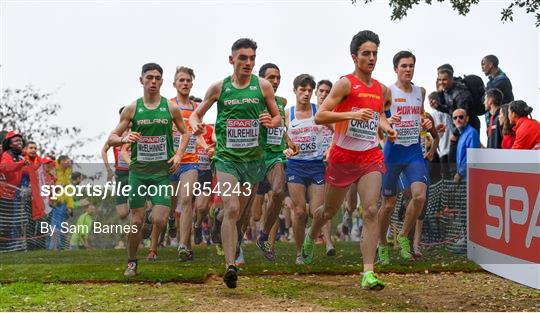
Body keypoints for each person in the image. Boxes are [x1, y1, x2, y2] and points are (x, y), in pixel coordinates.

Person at [300, 30, 396, 290]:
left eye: (375, 53)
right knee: (329, 211)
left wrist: (387, 127)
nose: (372, 58)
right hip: (343, 158)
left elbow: (378, 116)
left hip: (370, 156)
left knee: (372, 209)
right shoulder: (344, 84)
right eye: (366, 53)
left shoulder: (381, 89)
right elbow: (320, 116)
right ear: (354, 56)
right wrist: (351, 116)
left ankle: (368, 273)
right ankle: (311, 235)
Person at [189, 38, 281, 288]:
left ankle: (225, 231)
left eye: (252, 58)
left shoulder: (263, 87)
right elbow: (197, 114)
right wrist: (195, 123)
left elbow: (277, 118)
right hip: (227, 160)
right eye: (243, 58)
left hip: (253, 161)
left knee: (241, 215)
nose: (248, 63)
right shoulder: (219, 88)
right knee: (231, 209)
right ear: (232, 60)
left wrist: (272, 122)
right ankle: (230, 265)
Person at [107, 62, 189, 277]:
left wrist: (179, 154)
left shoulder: (170, 108)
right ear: (141, 80)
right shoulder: (132, 108)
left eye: (157, 78)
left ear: (162, 81)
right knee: (136, 221)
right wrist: (125, 137)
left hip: (162, 174)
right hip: (139, 175)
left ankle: (157, 230)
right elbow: (112, 138)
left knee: (160, 219)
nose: (153, 81)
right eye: (149, 77)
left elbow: (186, 133)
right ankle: (132, 261)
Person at [378, 51, 435, 264]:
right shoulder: (387, 91)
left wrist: (426, 123)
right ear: (396, 68)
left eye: (411, 65)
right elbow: (378, 116)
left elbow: (420, 114)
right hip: (393, 152)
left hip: (413, 151)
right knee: (389, 204)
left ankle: (403, 236)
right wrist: (388, 120)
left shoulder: (420, 90)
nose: (408, 69)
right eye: (404, 66)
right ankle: (382, 243)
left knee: (419, 196)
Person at [255, 63, 297, 262]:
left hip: (274, 155)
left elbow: (280, 126)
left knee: (279, 192)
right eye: (271, 77)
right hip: (253, 157)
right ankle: (219, 226)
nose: (276, 81)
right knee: (251, 213)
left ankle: (263, 236)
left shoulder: (280, 101)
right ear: (261, 79)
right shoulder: (252, 100)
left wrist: (288, 140)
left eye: (278, 77)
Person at [285, 74, 326, 264]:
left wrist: (331, 149)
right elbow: (280, 137)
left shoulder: (319, 111)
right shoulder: (288, 113)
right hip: (296, 166)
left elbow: (337, 131)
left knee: (317, 211)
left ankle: (311, 238)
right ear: (295, 90)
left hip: (317, 165)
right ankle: (300, 252)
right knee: (300, 212)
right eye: (302, 89)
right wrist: (286, 147)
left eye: (310, 90)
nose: (306, 93)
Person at [170, 66, 205, 262]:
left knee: (186, 201)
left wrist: (200, 135)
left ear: (192, 84)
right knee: (170, 204)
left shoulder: (196, 109)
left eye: (188, 81)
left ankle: (183, 245)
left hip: (190, 161)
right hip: (170, 161)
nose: (184, 83)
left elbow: (199, 132)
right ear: (174, 84)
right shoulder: (167, 105)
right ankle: (169, 221)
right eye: (181, 80)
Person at [315, 79, 336, 256]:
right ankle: (315, 231)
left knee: (327, 205)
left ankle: (328, 242)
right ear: (316, 92)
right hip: (308, 164)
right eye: (321, 91)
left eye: (327, 92)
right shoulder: (308, 112)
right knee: (309, 207)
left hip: (330, 163)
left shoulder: (334, 113)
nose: (324, 94)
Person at [101, 107, 130, 221]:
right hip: (120, 174)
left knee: (139, 207)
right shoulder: (115, 135)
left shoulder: (137, 132)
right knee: (122, 214)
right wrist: (109, 170)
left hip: (135, 173)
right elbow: (104, 150)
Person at [435, 67, 480, 131]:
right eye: (440, 80)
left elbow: (462, 116)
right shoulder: (447, 91)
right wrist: (438, 104)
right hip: (458, 128)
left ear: (451, 79)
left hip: (469, 128)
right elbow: (449, 109)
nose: (441, 82)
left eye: (444, 80)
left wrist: (455, 134)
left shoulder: (460, 93)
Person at [428, 92, 453, 179]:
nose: (430, 103)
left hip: (444, 148)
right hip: (449, 147)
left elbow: (433, 133)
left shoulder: (434, 113)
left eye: (431, 101)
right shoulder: (448, 109)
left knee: (447, 176)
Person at [453, 108, 481, 183]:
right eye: (455, 118)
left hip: (469, 177)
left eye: (461, 117)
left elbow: (473, 156)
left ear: (467, 118)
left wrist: (460, 173)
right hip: (464, 177)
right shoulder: (462, 135)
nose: (458, 120)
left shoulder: (471, 133)